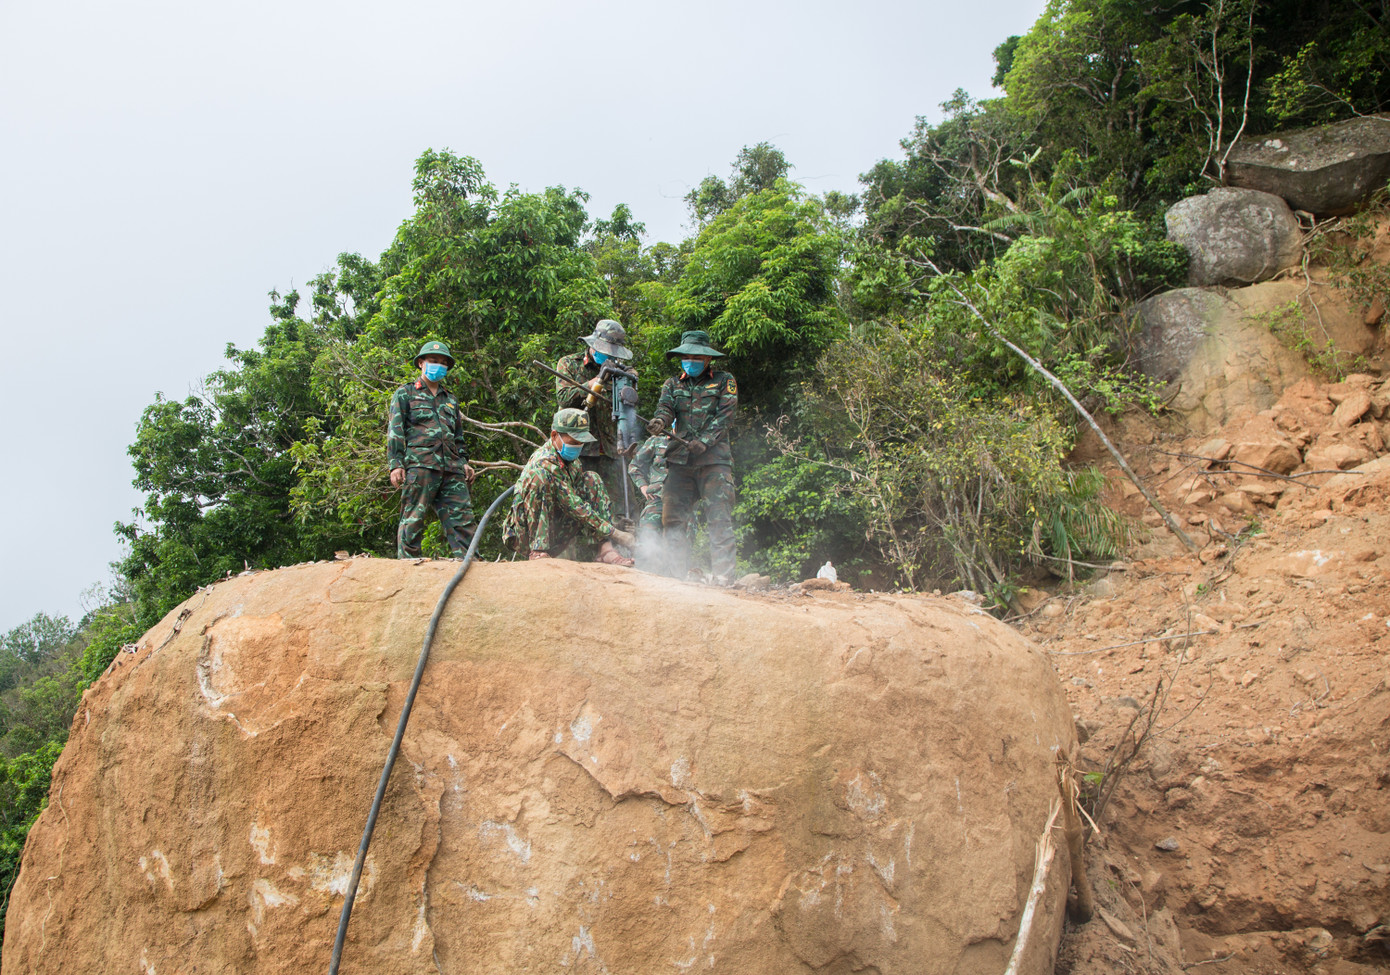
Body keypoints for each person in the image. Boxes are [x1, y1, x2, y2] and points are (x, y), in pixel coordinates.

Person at [646, 330, 738, 584]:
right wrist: (659, 422)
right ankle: (678, 576)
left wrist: (705, 442)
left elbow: (725, 416)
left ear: (707, 358)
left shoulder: (723, 380)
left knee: (718, 517)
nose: (690, 360)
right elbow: (665, 409)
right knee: (672, 519)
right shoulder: (672, 384)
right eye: (686, 356)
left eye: (696, 356)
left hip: (714, 462)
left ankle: (723, 577)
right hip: (679, 461)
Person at [504, 408, 637, 565]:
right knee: (539, 477)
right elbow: (573, 504)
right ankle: (538, 551)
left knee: (591, 479)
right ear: (555, 436)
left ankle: (604, 550)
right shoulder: (544, 461)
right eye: (573, 442)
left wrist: (613, 525)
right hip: (525, 536)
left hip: (558, 532)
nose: (577, 446)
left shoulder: (574, 464)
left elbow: (581, 503)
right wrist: (616, 533)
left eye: (581, 443)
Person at [387, 340, 477, 559]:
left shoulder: (451, 399)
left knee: (463, 520)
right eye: (433, 361)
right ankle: (408, 565)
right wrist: (396, 465)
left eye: (443, 363)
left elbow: (458, 436)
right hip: (421, 465)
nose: (439, 366)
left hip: (452, 468)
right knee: (413, 519)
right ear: (421, 363)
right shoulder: (405, 393)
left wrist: (464, 461)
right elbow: (395, 432)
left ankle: (470, 565)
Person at [554, 319, 637, 518]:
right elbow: (564, 398)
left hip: (610, 448)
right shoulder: (569, 364)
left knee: (624, 506)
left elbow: (628, 411)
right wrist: (594, 382)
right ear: (592, 346)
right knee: (577, 504)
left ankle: (627, 545)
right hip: (577, 448)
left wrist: (629, 383)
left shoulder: (621, 372)